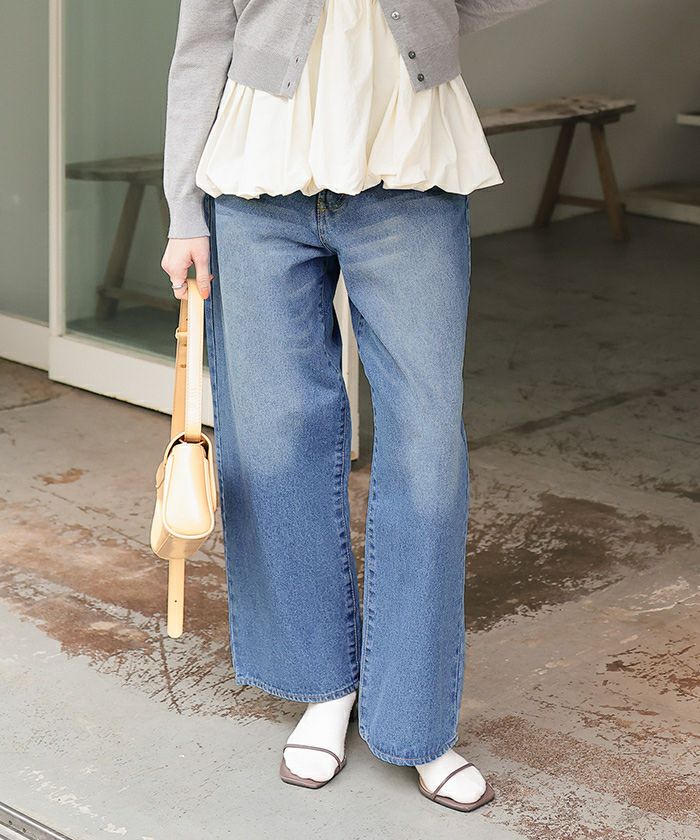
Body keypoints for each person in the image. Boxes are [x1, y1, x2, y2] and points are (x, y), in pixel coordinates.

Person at [161, 0, 548, 813]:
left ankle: (416, 721)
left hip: (409, 176)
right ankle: (323, 687)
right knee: (275, 439)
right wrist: (183, 210)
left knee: (427, 448)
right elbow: (203, 43)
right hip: (258, 188)